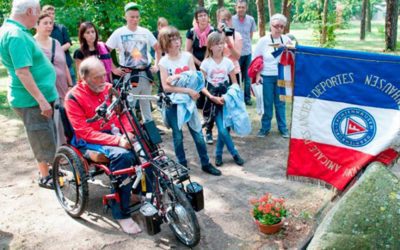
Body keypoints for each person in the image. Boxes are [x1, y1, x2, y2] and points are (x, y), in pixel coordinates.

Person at [64, 57, 142, 235]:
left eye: (104, 75)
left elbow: (124, 114)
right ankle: (121, 213)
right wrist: (118, 141)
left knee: (146, 146)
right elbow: (83, 132)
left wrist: (128, 133)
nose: (103, 80)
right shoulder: (73, 97)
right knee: (123, 156)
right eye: (97, 77)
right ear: (84, 78)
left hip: (113, 133)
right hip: (89, 140)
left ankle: (145, 192)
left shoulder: (108, 89)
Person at [0, 0, 58, 189]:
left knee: (44, 135)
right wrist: (42, 101)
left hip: (34, 98)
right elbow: (22, 72)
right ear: (31, 10)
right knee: (41, 138)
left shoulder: (14, 30)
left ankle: (49, 170)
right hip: (31, 101)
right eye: (38, 12)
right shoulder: (16, 35)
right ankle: (46, 176)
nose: (38, 16)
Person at [158, 26, 221, 176]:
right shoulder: (164, 62)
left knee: (198, 134)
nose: (176, 41)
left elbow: (195, 78)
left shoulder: (187, 56)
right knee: (178, 136)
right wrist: (187, 90)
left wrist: (190, 87)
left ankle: (206, 163)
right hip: (173, 104)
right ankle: (182, 167)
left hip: (189, 102)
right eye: (172, 39)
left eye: (177, 38)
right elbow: (166, 87)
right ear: (165, 42)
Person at [106, 2, 161, 123]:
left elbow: (158, 48)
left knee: (146, 103)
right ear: (125, 17)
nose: (135, 19)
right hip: (129, 75)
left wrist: (156, 65)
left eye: (137, 17)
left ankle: (150, 132)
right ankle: (132, 131)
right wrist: (113, 68)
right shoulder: (119, 33)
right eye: (132, 16)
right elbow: (105, 51)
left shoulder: (145, 32)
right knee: (129, 105)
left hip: (145, 74)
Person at [200, 32, 245, 167]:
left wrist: (229, 96)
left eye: (221, 43)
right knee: (222, 129)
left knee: (224, 129)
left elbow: (235, 83)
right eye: (216, 44)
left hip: (226, 99)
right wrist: (211, 97)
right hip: (212, 99)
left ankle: (218, 154)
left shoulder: (228, 62)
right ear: (210, 47)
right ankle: (235, 153)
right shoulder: (205, 64)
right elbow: (200, 85)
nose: (220, 46)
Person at [201, 8, 243, 145]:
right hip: (212, 86)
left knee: (226, 109)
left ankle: (225, 131)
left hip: (227, 81)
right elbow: (201, 83)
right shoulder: (207, 61)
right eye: (222, 19)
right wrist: (219, 35)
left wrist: (229, 43)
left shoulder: (235, 37)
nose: (220, 46)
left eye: (227, 19)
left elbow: (237, 59)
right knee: (210, 111)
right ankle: (208, 130)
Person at [34, 13, 72, 147]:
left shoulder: (56, 43)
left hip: (61, 87)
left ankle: (63, 151)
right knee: (47, 123)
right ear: (36, 25)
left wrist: (70, 84)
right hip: (44, 89)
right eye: (45, 23)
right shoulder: (32, 44)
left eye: (51, 23)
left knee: (62, 120)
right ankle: (52, 154)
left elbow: (64, 65)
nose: (49, 26)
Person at [253, 14, 291, 138]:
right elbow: (256, 60)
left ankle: (283, 128)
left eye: (281, 26)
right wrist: (258, 75)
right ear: (271, 26)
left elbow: (293, 56)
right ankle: (265, 128)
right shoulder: (263, 41)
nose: (279, 29)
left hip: (282, 76)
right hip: (267, 76)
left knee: (281, 103)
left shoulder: (286, 40)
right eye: (276, 26)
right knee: (267, 103)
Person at [42, 5, 76, 85]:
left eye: (53, 13)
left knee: (73, 89)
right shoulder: (42, 30)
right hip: (51, 66)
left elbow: (68, 43)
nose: (51, 15)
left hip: (67, 63)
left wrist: (56, 50)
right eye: (48, 13)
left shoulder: (61, 28)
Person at [232, 0, 257, 106]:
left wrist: (246, 45)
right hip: (235, 53)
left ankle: (247, 98)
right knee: (236, 76)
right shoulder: (231, 20)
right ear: (236, 8)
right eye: (239, 7)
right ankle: (237, 97)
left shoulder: (251, 20)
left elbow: (250, 35)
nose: (241, 9)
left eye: (243, 7)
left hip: (247, 52)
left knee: (247, 77)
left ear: (246, 8)